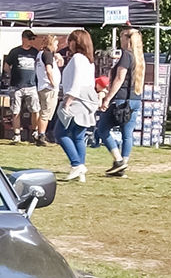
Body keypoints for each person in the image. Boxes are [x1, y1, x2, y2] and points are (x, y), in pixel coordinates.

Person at [94, 27, 146, 176]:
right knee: (127, 134)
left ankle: (118, 161)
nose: (120, 39)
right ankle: (123, 163)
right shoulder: (139, 57)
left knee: (102, 128)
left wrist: (107, 98)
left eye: (122, 36)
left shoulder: (126, 56)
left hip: (122, 99)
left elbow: (119, 78)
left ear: (127, 39)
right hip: (135, 99)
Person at [52, 28, 98, 181]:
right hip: (87, 100)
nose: (68, 44)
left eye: (70, 41)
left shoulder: (78, 58)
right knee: (78, 136)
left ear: (75, 42)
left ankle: (77, 164)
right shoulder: (89, 60)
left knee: (60, 132)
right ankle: (80, 170)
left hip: (76, 99)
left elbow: (76, 82)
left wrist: (68, 101)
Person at [1, 29, 41, 144]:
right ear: (23, 39)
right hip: (16, 86)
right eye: (30, 39)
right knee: (15, 111)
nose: (32, 41)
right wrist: (10, 75)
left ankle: (34, 131)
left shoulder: (35, 52)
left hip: (32, 85)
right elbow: (6, 65)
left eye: (33, 39)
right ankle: (17, 134)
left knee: (35, 109)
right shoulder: (15, 52)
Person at [33, 33, 60, 147]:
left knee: (43, 111)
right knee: (46, 113)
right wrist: (53, 83)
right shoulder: (47, 54)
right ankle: (41, 135)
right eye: (56, 44)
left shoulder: (40, 54)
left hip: (42, 86)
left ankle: (40, 133)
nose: (57, 46)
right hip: (48, 87)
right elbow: (48, 70)